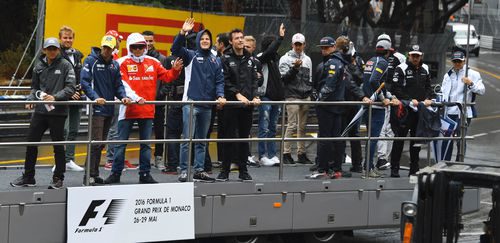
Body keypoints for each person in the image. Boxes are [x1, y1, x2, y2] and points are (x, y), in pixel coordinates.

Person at [104, 33, 183, 184]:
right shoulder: (121, 62)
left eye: (141, 46)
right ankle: (115, 173)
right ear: (129, 47)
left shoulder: (153, 62)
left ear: (146, 47)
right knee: (120, 144)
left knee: (146, 145)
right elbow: (123, 85)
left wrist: (175, 70)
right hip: (127, 110)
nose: (138, 49)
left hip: (147, 110)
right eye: (134, 47)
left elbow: (166, 76)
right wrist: (136, 99)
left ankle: (145, 174)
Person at [10, 37, 75, 189]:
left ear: (58, 49)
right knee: (31, 143)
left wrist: (56, 97)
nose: (52, 51)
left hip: (58, 112)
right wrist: (30, 98)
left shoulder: (66, 65)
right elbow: (34, 87)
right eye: (49, 48)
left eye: (54, 48)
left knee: (58, 146)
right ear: (44, 50)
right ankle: (28, 177)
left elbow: (71, 88)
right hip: (40, 111)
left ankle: (58, 177)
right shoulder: (39, 65)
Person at [171, 18, 226, 182]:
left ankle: (199, 170)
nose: (205, 41)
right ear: (197, 40)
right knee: (187, 139)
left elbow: (219, 81)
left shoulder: (216, 60)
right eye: (202, 38)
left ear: (211, 42)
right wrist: (182, 33)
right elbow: (175, 49)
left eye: (207, 39)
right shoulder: (190, 55)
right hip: (191, 103)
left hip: (207, 106)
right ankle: (183, 170)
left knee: (202, 141)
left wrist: (220, 95)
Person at [79, 35, 131, 185]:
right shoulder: (91, 60)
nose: (106, 50)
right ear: (101, 47)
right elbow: (84, 82)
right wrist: (95, 98)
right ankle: (88, 176)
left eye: (109, 48)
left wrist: (123, 97)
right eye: (104, 47)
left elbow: (118, 85)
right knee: (95, 142)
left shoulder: (114, 65)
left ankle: (94, 174)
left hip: (109, 108)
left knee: (101, 143)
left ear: (114, 49)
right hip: (96, 108)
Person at [217, 28, 260, 182]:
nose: (241, 40)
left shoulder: (250, 59)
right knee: (229, 139)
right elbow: (225, 80)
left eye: (242, 38)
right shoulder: (225, 58)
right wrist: (237, 94)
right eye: (237, 38)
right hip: (230, 106)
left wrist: (255, 95)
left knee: (244, 139)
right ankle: (224, 171)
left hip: (247, 106)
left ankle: (243, 171)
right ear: (231, 41)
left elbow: (254, 80)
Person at [390, 45, 434, 177]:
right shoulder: (401, 68)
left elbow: (428, 87)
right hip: (405, 109)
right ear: (409, 55)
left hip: (419, 109)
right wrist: (410, 100)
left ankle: (414, 169)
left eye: (417, 55)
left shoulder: (425, 68)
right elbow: (395, 88)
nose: (415, 58)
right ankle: (394, 167)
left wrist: (428, 98)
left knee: (416, 140)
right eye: (413, 55)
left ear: (421, 56)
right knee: (400, 138)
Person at [440, 49, 485, 161]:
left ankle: (459, 163)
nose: (457, 64)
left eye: (459, 61)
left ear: (464, 61)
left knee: (460, 140)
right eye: (455, 61)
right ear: (452, 61)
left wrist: (470, 84)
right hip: (449, 113)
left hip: (463, 113)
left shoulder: (473, 74)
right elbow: (443, 92)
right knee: (447, 139)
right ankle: (445, 163)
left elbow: (482, 90)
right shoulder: (448, 75)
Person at [103, 30, 138, 171]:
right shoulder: (109, 55)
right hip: (112, 97)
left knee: (118, 130)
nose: (119, 42)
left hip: (119, 96)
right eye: (118, 39)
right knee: (114, 130)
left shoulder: (115, 55)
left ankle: (118, 159)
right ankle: (111, 160)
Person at [361, 35, 393, 178]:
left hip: (368, 103)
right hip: (376, 106)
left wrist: (388, 96)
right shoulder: (383, 62)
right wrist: (383, 98)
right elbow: (375, 80)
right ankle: (368, 169)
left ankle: (368, 166)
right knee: (373, 138)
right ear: (387, 51)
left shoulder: (370, 61)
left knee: (370, 138)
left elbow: (367, 81)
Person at [279, 33, 313, 165]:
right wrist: (295, 68)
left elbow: (310, 78)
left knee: (302, 127)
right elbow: (284, 79)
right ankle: (286, 153)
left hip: (305, 96)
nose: (298, 47)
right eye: (296, 44)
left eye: (300, 44)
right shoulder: (285, 58)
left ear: (304, 45)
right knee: (291, 125)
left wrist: (311, 92)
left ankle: (301, 153)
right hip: (292, 95)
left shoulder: (308, 59)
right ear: (292, 44)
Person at [54, 26, 85, 172]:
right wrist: (69, 92)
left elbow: (80, 77)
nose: (68, 40)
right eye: (65, 37)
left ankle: (69, 160)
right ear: (60, 38)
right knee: (62, 131)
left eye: (70, 37)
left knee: (73, 130)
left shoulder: (78, 54)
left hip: (77, 97)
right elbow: (55, 78)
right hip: (63, 98)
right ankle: (59, 161)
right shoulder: (55, 54)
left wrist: (80, 90)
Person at [256, 23, 286, 166]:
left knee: (273, 127)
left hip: (276, 97)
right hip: (265, 96)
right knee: (264, 126)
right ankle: (262, 155)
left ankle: (272, 154)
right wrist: (279, 38)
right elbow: (268, 53)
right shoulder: (262, 57)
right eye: (274, 45)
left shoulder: (274, 60)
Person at [375, 34, 406, 170]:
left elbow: (403, 78)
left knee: (389, 130)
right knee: (383, 129)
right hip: (382, 96)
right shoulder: (377, 59)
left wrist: (399, 97)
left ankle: (384, 158)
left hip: (392, 97)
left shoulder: (399, 58)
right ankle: (382, 158)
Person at [143, 30, 169, 170]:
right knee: (144, 132)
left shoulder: (162, 59)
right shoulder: (136, 58)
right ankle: (144, 160)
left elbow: (167, 81)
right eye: (145, 41)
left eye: (150, 41)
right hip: (141, 103)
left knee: (159, 131)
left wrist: (160, 94)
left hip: (158, 102)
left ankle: (158, 158)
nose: (148, 43)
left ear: (154, 41)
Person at [243, 35, 263, 168]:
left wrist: (258, 77)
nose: (245, 49)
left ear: (254, 48)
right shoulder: (236, 59)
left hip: (250, 100)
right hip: (238, 99)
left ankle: (247, 155)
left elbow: (259, 81)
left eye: (248, 47)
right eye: (244, 46)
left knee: (247, 130)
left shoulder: (256, 62)